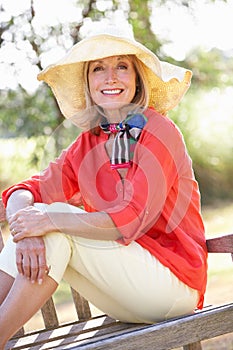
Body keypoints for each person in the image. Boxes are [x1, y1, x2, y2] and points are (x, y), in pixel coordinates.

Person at [0, 23, 207, 348]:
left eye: (121, 66)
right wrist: (24, 229)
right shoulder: (89, 143)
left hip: (173, 286)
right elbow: (26, 191)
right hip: (126, 295)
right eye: (99, 68)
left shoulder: (159, 132)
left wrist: (45, 220)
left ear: (136, 78)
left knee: (53, 222)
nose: (110, 77)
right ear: (88, 82)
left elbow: (131, 218)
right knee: (45, 220)